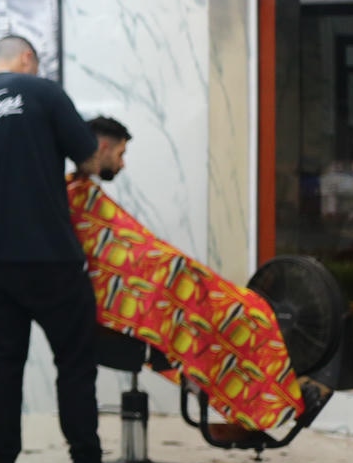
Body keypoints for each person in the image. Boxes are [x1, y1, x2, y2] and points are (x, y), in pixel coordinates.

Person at [0, 35, 150, 463]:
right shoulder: (45, 93)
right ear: (27, 58)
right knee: (74, 367)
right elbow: (89, 159)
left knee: (4, 369)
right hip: (53, 261)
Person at [69, 116, 329, 440]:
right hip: (124, 310)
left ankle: (258, 409)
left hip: (152, 294)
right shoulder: (75, 195)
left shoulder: (80, 193)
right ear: (104, 146)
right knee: (239, 319)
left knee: (245, 312)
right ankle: (258, 410)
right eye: (120, 154)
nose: (122, 164)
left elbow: (131, 249)